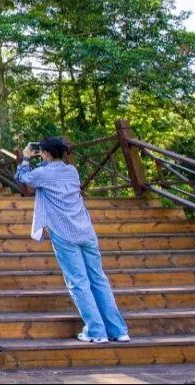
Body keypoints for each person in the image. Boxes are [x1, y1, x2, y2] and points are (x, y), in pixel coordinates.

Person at [15, 136, 130, 344]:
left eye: (42, 152)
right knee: (98, 279)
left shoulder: (42, 173)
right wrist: (45, 155)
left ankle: (96, 331)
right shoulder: (72, 171)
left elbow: (22, 177)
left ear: (46, 153)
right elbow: (48, 170)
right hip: (86, 231)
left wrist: (25, 157)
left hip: (64, 232)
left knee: (78, 282)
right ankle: (118, 330)